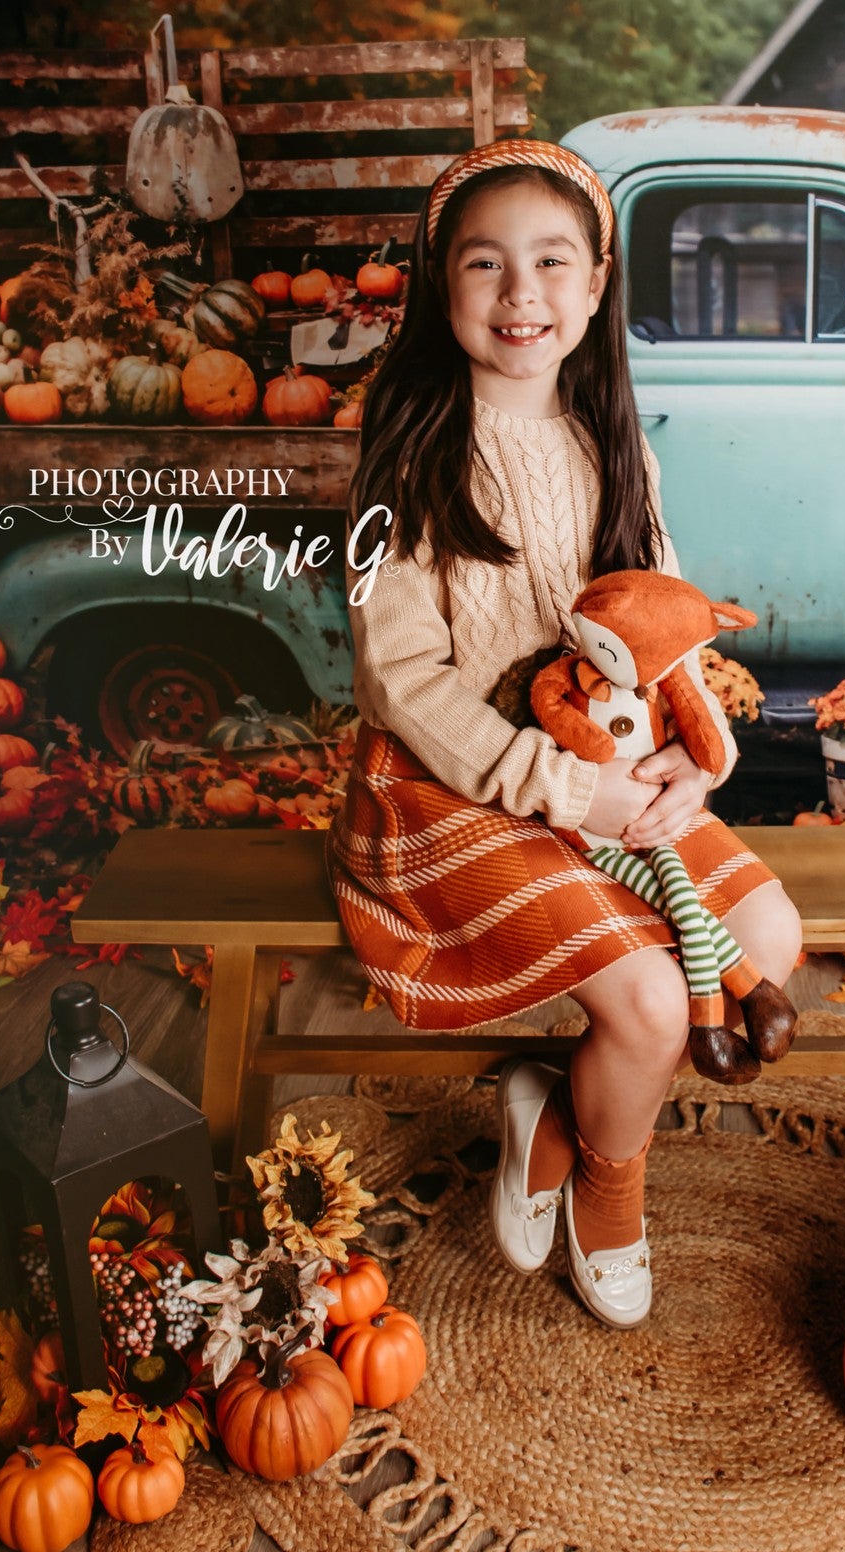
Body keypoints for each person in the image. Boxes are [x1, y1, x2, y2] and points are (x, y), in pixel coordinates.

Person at [327, 137, 803, 1329]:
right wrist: (564, 788)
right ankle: (605, 1183)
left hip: (605, 772)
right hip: (451, 788)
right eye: (485, 266)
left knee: (768, 930)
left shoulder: (614, 445)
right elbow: (403, 681)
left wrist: (686, 764)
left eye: (550, 263)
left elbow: (668, 627)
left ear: (596, 286)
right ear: (445, 294)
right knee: (649, 1002)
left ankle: (550, 1110)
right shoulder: (408, 456)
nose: (520, 294)